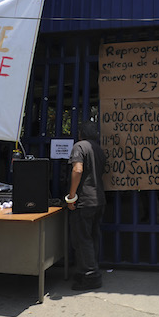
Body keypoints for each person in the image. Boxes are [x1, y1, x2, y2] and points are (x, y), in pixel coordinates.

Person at [65, 121, 106, 291]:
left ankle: (90, 275)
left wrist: (72, 195)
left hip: (84, 200)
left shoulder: (79, 146)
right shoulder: (98, 149)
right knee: (92, 237)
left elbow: (78, 170)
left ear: (80, 133)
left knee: (82, 239)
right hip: (98, 199)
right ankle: (89, 270)